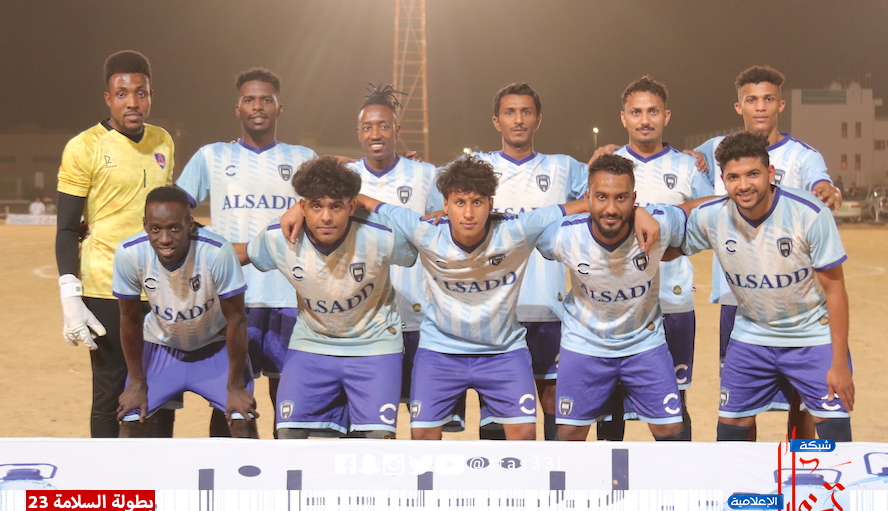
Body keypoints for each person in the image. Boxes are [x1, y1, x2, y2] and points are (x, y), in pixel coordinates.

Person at [334, 155, 659, 441]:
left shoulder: (515, 229)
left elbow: (587, 205)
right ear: (445, 205)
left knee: (525, 434)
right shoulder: (425, 230)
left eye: (477, 202)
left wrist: (638, 210)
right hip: (441, 351)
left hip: (503, 351)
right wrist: (321, 198)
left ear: (491, 204)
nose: (468, 213)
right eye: (459, 202)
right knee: (421, 435)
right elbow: (370, 203)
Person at [694, 65, 842, 440]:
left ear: (780, 104)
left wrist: (829, 190)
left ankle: (798, 466)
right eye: (751, 100)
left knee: (802, 403)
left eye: (768, 99)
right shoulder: (716, 149)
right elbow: (678, 167)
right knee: (742, 405)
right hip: (739, 300)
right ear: (739, 106)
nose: (760, 107)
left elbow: (822, 184)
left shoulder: (803, 156)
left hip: (795, 302)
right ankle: (752, 471)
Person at [176, 68, 317, 437]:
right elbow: (174, 209)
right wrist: (207, 242)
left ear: (279, 108)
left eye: (266, 100)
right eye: (249, 100)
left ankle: (286, 470)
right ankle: (233, 471)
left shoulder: (303, 157)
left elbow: (332, 202)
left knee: (290, 404)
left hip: (291, 297)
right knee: (232, 401)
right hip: (231, 298)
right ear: (237, 108)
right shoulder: (212, 156)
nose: (258, 106)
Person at [247, 157, 416, 438]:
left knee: (379, 440)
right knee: (287, 434)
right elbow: (243, 254)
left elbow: (415, 247)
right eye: (316, 206)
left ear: (351, 206)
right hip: (312, 342)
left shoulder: (382, 235)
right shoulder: (278, 236)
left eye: (335, 206)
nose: (326, 217)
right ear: (302, 207)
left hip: (374, 344)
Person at [55, 50, 176, 438]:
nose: (132, 102)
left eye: (140, 93)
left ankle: (157, 470)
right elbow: (67, 228)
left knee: (161, 389)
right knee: (110, 391)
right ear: (108, 98)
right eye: (122, 94)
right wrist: (70, 294)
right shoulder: (84, 146)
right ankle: (105, 472)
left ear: (151, 95)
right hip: (105, 286)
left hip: (159, 287)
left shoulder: (163, 141)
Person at [538, 154, 689, 441]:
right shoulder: (562, 236)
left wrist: (641, 211)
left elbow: (695, 210)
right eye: (601, 197)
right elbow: (525, 227)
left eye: (621, 198)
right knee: (569, 432)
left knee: (670, 429)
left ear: (634, 198)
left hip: (644, 343)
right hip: (584, 343)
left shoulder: (659, 223)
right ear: (587, 198)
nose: (611, 208)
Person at [469, 83, 589, 441]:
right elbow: (437, 190)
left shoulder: (563, 168)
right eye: (510, 112)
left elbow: (607, 188)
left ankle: (553, 474)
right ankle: (496, 474)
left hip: (549, 309)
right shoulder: (479, 167)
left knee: (552, 398)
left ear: (538, 119)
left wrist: (609, 152)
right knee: (497, 406)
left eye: (526, 112)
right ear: (496, 121)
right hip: (496, 311)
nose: (518, 120)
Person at [597, 77, 714, 441]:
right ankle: (612, 475)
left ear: (666, 116)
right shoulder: (606, 167)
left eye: (652, 111)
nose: (644, 120)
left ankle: (676, 475)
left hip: (672, 301)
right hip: (616, 303)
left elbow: (709, 217)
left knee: (673, 403)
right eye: (636, 112)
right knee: (610, 404)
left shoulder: (687, 166)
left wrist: (668, 233)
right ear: (623, 118)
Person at [113, 187, 258, 438]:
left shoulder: (216, 251)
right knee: (131, 420)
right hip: (160, 348)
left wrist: (235, 386)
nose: (165, 239)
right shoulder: (129, 253)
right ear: (145, 225)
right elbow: (129, 319)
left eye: (174, 228)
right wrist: (136, 383)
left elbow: (237, 318)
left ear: (190, 224)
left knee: (242, 420)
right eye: (155, 229)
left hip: (214, 347)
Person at [348, 84, 440, 410]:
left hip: (417, 316)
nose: (376, 134)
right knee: (367, 419)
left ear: (397, 131)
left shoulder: (425, 174)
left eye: (384, 126)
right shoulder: (344, 178)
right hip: (361, 320)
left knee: (422, 418)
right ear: (359, 133)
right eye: (368, 127)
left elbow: (440, 235)